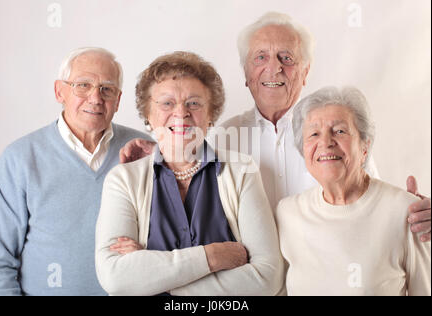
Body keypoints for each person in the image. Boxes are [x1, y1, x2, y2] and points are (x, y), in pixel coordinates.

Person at [119, 12, 431, 242]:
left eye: (286, 57)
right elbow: (185, 171)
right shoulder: (222, 136)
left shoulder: (338, 134)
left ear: (305, 71)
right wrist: (156, 150)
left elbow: (374, 204)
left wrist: (409, 213)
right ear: (245, 72)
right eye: (261, 57)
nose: (274, 67)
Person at [95, 51, 283, 296]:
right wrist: (212, 257)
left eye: (194, 103)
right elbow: (116, 278)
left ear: (211, 115)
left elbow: (267, 278)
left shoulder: (241, 171)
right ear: (148, 115)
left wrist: (152, 278)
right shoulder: (123, 180)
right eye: (167, 103)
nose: (181, 113)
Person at [0, 47, 149, 295]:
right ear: (59, 91)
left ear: (118, 100)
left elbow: (176, 241)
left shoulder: (143, 151)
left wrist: (149, 252)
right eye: (83, 85)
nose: (95, 98)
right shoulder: (20, 158)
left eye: (107, 89)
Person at [276, 86, 430, 296]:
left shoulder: (404, 211)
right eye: (313, 134)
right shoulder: (287, 214)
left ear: (365, 147)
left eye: (339, 131)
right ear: (303, 150)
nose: (325, 143)